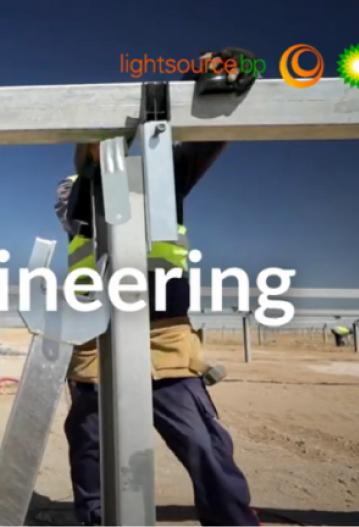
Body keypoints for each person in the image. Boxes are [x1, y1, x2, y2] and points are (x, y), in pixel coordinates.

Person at [55, 48, 261, 526]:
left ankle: (233, 521)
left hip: (166, 338)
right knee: (92, 452)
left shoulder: (162, 182)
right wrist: (92, 163)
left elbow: (205, 137)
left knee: (204, 448)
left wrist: (210, 77)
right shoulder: (73, 189)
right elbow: (83, 200)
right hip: (97, 341)